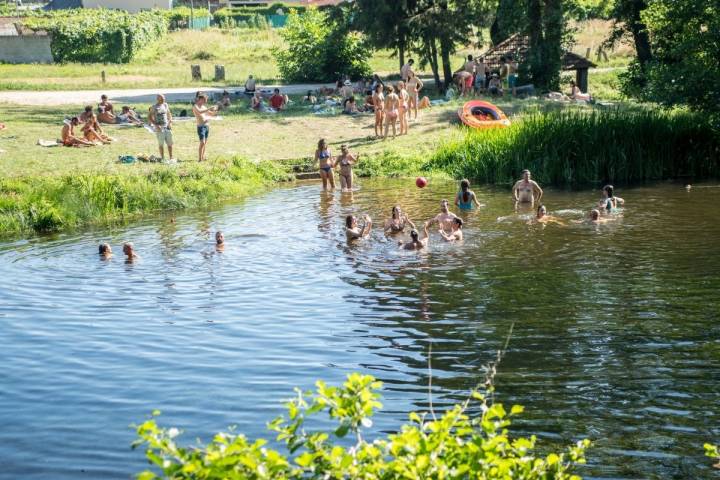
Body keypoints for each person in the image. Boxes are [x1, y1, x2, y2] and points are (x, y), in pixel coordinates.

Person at [193, 93, 217, 162]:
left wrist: (215, 110)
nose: (206, 101)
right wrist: (209, 108)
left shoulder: (204, 107)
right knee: (202, 142)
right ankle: (199, 159)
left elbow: (211, 114)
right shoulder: (195, 106)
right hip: (200, 127)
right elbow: (200, 112)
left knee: (205, 143)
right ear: (200, 99)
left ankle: (202, 157)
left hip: (206, 126)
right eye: (205, 100)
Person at [149, 94, 174, 161]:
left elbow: (169, 114)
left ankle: (171, 157)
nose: (163, 100)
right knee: (161, 144)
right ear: (158, 99)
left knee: (170, 143)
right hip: (160, 128)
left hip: (167, 127)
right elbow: (149, 117)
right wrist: (156, 125)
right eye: (162, 99)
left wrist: (170, 122)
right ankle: (162, 158)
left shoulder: (165, 105)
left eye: (164, 99)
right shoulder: (154, 107)